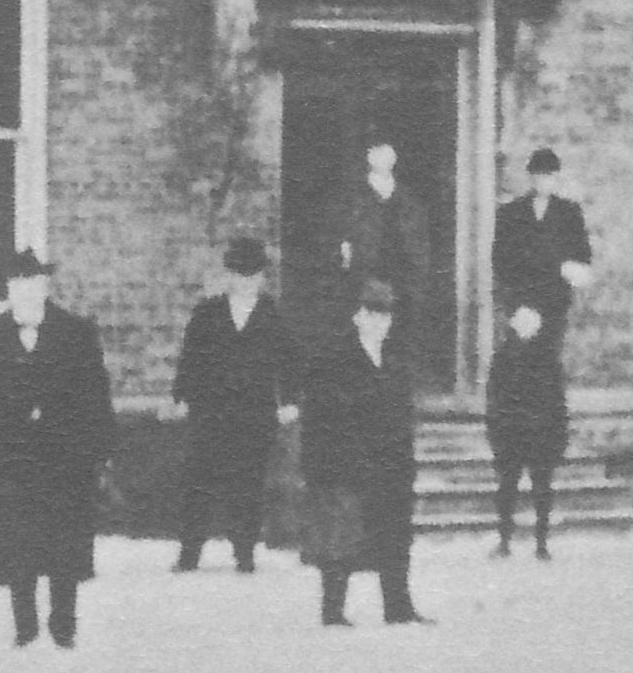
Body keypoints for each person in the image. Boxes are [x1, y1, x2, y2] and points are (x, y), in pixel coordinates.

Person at [0, 248, 114, 649]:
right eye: (17, 286)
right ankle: (24, 625)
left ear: (45, 287)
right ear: (8, 290)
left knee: (64, 544)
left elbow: (96, 397)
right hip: (11, 463)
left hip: (63, 462)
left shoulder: (76, 334)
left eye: (34, 285)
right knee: (18, 546)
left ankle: (64, 624)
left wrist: (92, 449)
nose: (26, 293)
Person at [300, 276, 425, 626]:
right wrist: (338, 462)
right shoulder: (334, 359)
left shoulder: (396, 363)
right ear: (356, 316)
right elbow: (326, 417)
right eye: (371, 314)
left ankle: (398, 607)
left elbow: (403, 417)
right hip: (346, 464)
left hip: (390, 465)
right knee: (341, 538)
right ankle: (333, 610)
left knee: (396, 536)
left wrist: (404, 462)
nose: (378, 323)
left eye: (384, 316)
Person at [170, 236, 291, 572]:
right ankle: (189, 552)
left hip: (255, 414)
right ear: (229, 276)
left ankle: (244, 553)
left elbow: (289, 362)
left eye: (252, 275)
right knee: (199, 482)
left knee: (248, 484)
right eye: (239, 274)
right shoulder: (207, 313)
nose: (246, 282)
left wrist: (289, 400)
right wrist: (181, 396)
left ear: (262, 278)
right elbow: (190, 359)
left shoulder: (272, 316)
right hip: (210, 412)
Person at [333, 139, 439, 374]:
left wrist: (416, 279)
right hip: (363, 278)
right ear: (368, 159)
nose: (383, 160)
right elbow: (338, 241)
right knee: (362, 339)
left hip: (402, 282)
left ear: (395, 160)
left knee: (400, 342)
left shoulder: (409, 201)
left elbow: (420, 246)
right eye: (377, 154)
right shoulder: (351, 199)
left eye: (388, 155)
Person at [485, 294, 568, 558]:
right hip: (511, 434)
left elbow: (558, 401)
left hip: (541, 434)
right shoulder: (503, 358)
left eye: (530, 324)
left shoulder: (548, 360)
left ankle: (541, 543)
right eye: (520, 323)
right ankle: (504, 540)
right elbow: (494, 398)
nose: (525, 329)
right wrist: (495, 433)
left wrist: (559, 436)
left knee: (542, 491)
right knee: (507, 490)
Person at [489, 146, 598, 329]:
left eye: (548, 176)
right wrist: (515, 303)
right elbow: (501, 257)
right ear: (530, 176)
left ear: (556, 177)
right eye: (538, 175)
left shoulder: (569, 213)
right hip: (521, 299)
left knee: (549, 351)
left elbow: (582, 254)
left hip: (554, 299)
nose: (542, 181)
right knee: (519, 352)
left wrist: (570, 269)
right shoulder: (512, 213)